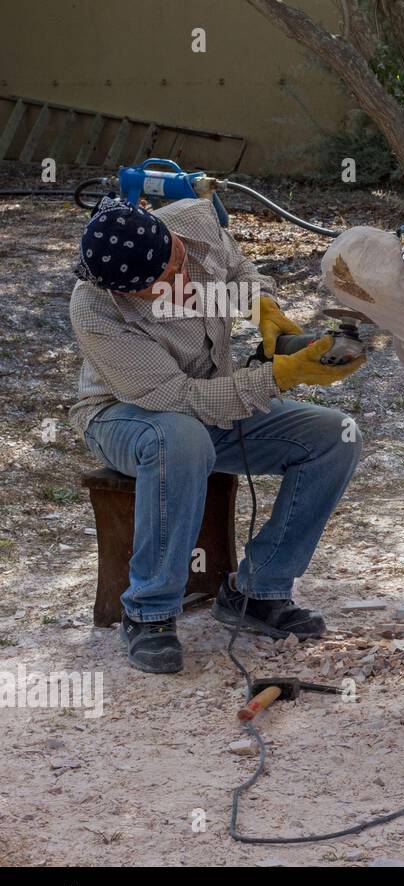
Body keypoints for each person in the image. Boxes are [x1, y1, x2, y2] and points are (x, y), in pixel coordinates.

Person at [68, 196, 365, 674]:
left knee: (337, 436)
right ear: (127, 292)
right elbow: (176, 397)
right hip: (125, 415)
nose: (181, 280)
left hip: (207, 402)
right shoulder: (95, 310)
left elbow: (238, 273)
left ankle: (257, 593)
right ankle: (150, 612)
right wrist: (279, 377)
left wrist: (262, 307)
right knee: (180, 439)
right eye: (164, 284)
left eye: (178, 260)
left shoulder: (193, 220)